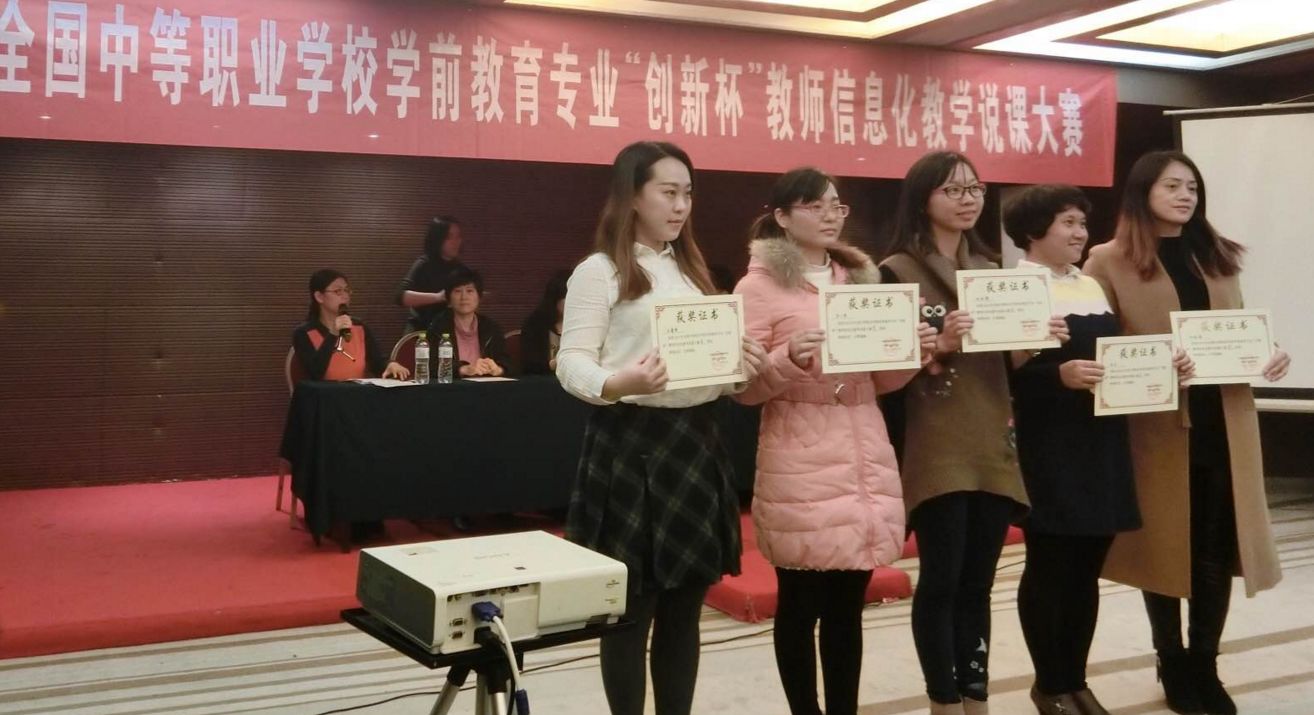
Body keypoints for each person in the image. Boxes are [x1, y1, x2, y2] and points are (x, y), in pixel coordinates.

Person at [555, 140, 766, 715]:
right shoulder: (599, 271)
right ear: (632, 197)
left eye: (688, 194)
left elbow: (710, 375)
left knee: (684, 611)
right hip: (630, 444)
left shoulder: (692, 272)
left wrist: (737, 369)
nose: (680, 206)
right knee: (631, 611)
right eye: (668, 192)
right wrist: (619, 382)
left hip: (694, 443)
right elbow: (570, 362)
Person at [1083, 150, 1291, 715]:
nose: (1185, 196)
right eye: (1172, 186)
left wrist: (1270, 352)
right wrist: (1154, 360)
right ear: (1142, 192)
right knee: (1165, 546)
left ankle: (1204, 662)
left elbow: (1238, 329)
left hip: (1224, 423)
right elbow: (1098, 348)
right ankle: (1171, 659)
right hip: (1156, 430)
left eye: (1192, 187)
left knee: (1215, 549)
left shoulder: (1218, 257)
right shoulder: (1107, 260)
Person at [733, 167, 936, 715]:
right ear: (781, 217)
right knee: (800, 605)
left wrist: (911, 353)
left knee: (849, 606)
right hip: (798, 453)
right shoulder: (757, 287)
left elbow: (882, 381)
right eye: (815, 205)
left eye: (837, 205)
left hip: (864, 447)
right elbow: (744, 390)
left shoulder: (862, 280)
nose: (830, 215)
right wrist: (787, 358)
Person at [878, 151, 1066, 715]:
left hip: (991, 435)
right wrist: (940, 344)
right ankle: (943, 700)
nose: (968, 200)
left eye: (975, 189)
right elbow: (884, 369)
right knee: (941, 579)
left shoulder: (991, 271)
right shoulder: (894, 272)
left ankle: (975, 696)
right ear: (923, 199)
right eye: (953, 190)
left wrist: (1036, 338)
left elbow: (1009, 362)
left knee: (980, 582)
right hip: (934, 437)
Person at [1005, 184, 1188, 715]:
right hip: (1049, 445)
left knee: (1086, 568)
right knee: (1050, 565)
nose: (1080, 233)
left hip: (1102, 441)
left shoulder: (1088, 284)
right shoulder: (1012, 288)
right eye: (1067, 222)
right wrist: (1055, 376)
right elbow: (998, 377)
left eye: (1082, 223)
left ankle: (1075, 680)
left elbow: (1113, 356)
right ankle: (1050, 684)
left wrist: (1163, 365)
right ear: (1033, 231)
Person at [292, 268, 410, 382]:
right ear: (319, 297)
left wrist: (390, 365)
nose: (345, 295)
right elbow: (315, 373)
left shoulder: (359, 327)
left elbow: (377, 363)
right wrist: (333, 334)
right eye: (338, 291)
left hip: (355, 393)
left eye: (347, 290)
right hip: (323, 394)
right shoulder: (303, 333)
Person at [426, 267, 512, 378]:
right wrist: (463, 369)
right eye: (457, 291)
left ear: (479, 297)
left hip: (487, 385)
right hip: (453, 387)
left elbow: (508, 363)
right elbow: (431, 367)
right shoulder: (438, 328)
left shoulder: (491, 328)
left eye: (469, 291)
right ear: (449, 299)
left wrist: (498, 370)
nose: (464, 297)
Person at [395, 216, 467, 331]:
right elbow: (400, 296)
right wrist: (438, 297)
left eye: (458, 236)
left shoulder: (461, 269)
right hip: (420, 330)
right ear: (438, 239)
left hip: (448, 330)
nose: (456, 242)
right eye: (449, 237)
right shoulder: (424, 264)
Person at [519, 269, 570, 375]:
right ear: (555, 298)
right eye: (568, 298)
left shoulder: (588, 324)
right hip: (544, 381)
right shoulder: (535, 324)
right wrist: (553, 364)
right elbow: (528, 365)